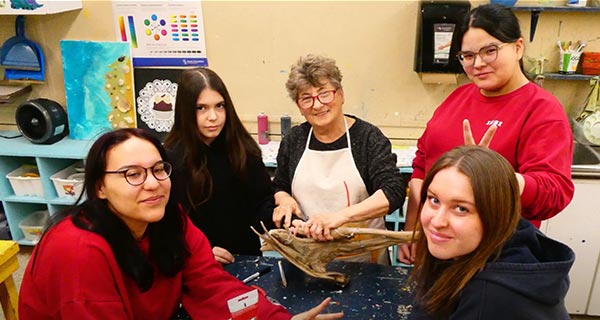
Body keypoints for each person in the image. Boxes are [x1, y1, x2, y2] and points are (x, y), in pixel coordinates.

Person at [19, 128, 343, 320]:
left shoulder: (168, 219)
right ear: (99, 187)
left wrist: (275, 319)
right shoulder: (78, 250)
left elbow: (210, 286)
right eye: (133, 174)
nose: (152, 184)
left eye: (159, 169)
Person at [399, 4, 574, 264]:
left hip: (492, 258)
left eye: (490, 51)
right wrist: (411, 230)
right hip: (436, 245)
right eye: (467, 55)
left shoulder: (541, 110)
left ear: (518, 47)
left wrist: (493, 174)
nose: (478, 64)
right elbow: (422, 166)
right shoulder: (457, 97)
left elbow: (554, 193)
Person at [408, 145, 574, 319]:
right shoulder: (499, 241)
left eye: (461, 209)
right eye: (434, 200)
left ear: (496, 213)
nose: (437, 221)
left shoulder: (488, 297)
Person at [272, 54, 406, 264]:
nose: (317, 105)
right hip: (307, 256)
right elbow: (279, 185)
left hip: (364, 261)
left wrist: (339, 217)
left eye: (325, 94)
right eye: (306, 98)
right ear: (299, 106)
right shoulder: (294, 140)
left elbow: (393, 192)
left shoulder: (367, 138)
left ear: (341, 94)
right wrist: (285, 200)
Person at [164, 67, 276, 264]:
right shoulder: (169, 160)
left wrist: (283, 216)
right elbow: (166, 224)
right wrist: (197, 251)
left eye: (219, 106)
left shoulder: (244, 150)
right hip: (195, 264)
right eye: (201, 108)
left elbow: (262, 204)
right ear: (185, 111)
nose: (213, 117)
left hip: (246, 261)